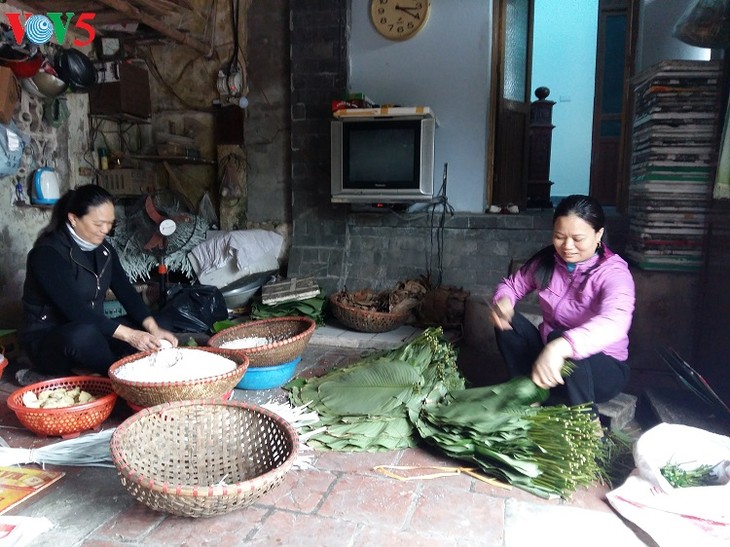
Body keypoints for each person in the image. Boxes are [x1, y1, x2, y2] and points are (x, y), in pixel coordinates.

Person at [490, 194, 635, 410]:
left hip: (601, 372)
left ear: (599, 234)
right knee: (510, 323)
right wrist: (503, 302)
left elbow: (616, 322)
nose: (567, 246)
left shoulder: (614, 274)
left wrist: (563, 345)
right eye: (559, 236)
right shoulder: (547, 261)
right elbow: (512, 286)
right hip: (551, 362)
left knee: (561, 337)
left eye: (578, 239)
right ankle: (528, 392)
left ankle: (586, 417)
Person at [20, 184, 178, 378]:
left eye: (110, 223)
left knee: (160, 321)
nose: (105, 230)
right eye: (98, 224)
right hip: (52, 341)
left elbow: (127, 293)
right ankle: (121, 375)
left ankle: (106, 365)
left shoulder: (104, 251)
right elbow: (76, 311)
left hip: (95, 330)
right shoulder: (48, 254)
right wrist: (131, 336)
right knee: (83, 335)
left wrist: (153, 329)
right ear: (74, 219)